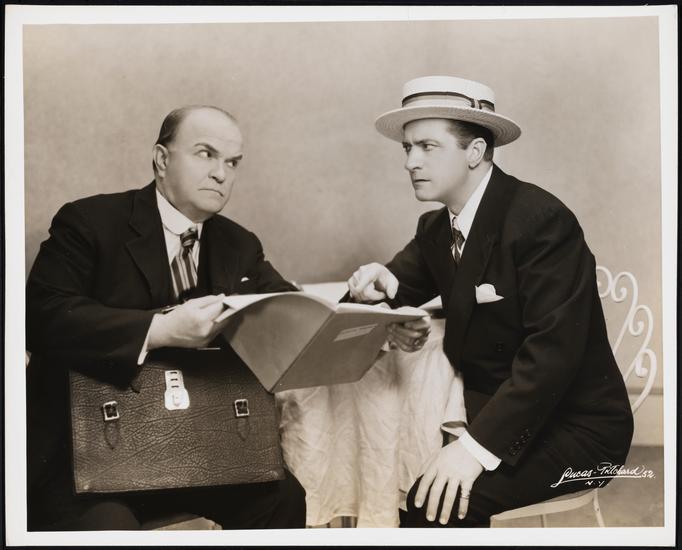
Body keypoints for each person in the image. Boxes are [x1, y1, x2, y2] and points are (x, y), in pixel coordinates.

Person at [348, 76, 633, 527]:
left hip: (575, 427)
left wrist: (474, 449)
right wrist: (377, 285)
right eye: (407, 148)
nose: (410, 162)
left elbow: (552, 357)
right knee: (395, 466)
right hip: (491, 407)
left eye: (427, 146)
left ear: (476, 151)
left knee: (433, 505)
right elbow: (397, 286)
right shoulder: (436, 229)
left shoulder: (541, 221)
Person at [26, 105, 306, 530]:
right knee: (108, 526)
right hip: (86, 459)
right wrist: (159, 330)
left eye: (232, 162)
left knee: (282, 498)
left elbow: (290, 312)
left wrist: (357, 312)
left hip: (198, 449)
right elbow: (40, 315)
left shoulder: (239, 243)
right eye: (206, 154)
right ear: (161, 159)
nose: (221, 174)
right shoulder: (89, 222)